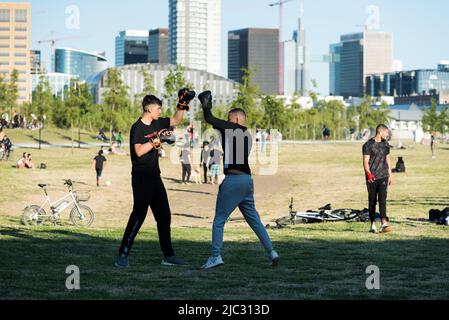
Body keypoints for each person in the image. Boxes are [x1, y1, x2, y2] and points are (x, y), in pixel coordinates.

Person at [198, 91, 280, 269]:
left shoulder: (230, 129)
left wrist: (205, 103)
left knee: (219, 220)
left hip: (233, 180)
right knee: (254, 220)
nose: (226, 122)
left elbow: (210, 118)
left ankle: (215, 256)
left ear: (235, 120)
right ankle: (271, 251)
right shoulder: (248, 135)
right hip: (246, 181)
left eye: (228, 119)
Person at [115, 89, 195, 268]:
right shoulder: (138, 127)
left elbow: (176, 120)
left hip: (155, 178)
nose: (160, 112)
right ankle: (123, 254)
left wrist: (182, 103)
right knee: (139, 215)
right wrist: (157, 140)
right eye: (158, 109)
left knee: (164, 216)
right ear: (149, 109)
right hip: (141, 178)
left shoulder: (157, 123)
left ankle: (168, 256)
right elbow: (138, 151)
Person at [363, 124, 393, 234]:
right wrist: (368, 173)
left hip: (383, 176)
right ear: (380, 132)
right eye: (386, 132)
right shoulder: (368, 145)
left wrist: (390, 174)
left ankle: (384, 223)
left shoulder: (386, 144)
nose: (387, 134)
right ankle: (372, 224)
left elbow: (388, 159)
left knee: (382, 200)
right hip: (372, 177)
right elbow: (366, 161)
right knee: (372, 201)